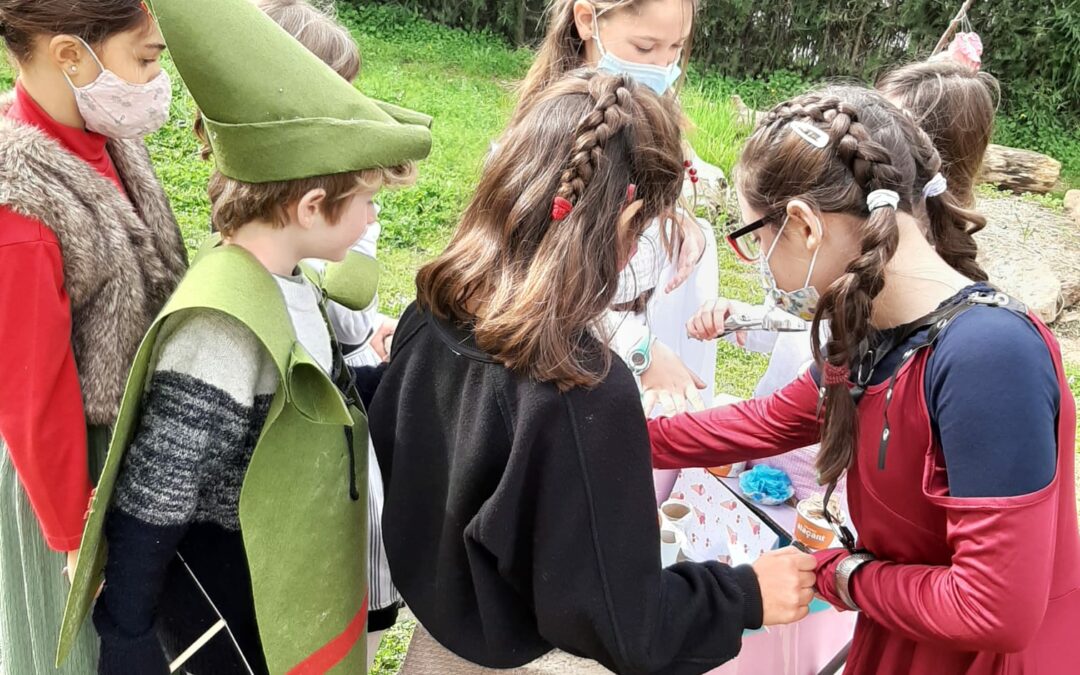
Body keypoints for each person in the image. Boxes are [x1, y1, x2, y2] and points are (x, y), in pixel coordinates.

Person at [370, 69, 816, 675]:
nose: (636, 255)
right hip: (528, 658)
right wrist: (746, 594)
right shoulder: (577, 391)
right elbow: (628, 624)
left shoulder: (429, 311)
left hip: (441, 635)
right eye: (641, 235)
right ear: (623, 218)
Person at [649, 85, 1080, 673]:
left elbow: (995, 609)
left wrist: (841, 574)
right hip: (904, 634)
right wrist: (620, 427)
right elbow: (768, 421)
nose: (762, 271)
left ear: (802, 225)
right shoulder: (871, 334)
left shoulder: (990, 358)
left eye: (755, 240)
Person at [58, 0, 432, 672]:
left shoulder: (293, 282)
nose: (374, 217)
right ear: (312, 207)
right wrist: (128, 632)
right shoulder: (221, 329)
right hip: (242, 599)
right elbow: (156, 493)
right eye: (366, 200)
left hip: (290, 571)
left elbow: (317, 403)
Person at [192, 0, 407, 663]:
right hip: (310, 548)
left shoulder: (278, 246)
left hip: (334, 506)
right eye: (336, 95)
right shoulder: (247, 293)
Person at [0, 1, 187, 672]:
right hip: (73, 470)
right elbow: (32, 393)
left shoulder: (103, 134)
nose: (157, 78)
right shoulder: (18, 202)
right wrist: (76, 534)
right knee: (74, 648)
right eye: (145, 57)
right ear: (70, 56)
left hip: (131, 450)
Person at [516, 0, 717, 504]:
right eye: (645, 47)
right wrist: (639, 349)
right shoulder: (550, 143)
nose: (661, 67)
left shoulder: (651, 118)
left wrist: (678, 214)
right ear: (588, 20)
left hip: (622, 360)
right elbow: (541, 284)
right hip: (566, 367)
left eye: (675, 49)